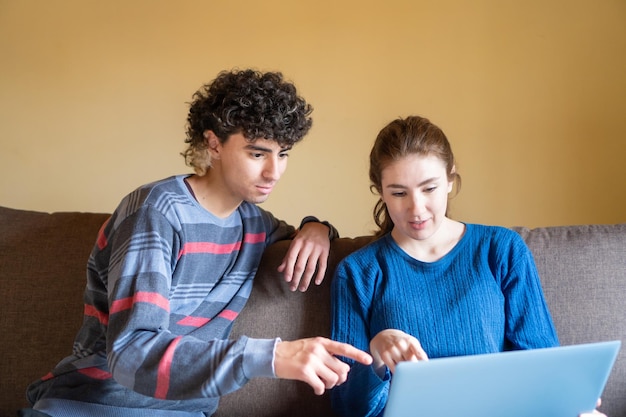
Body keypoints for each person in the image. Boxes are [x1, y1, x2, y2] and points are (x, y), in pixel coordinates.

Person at [23, 69, 372, 417]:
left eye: (283, 154)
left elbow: (296, 233)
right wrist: (268, 356)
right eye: (257, 154)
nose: (274, 172)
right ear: (214, 143)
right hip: (91, 405)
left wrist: (317, 229)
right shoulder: (156, 212)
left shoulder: (255, 224)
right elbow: (131, 352)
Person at [329, 115, 605, 417]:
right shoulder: (358, 272)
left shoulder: (502, 249)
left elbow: (542, 366)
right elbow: (347, 408)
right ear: (380, 191)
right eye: (398, 193)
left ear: (450, 179)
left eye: (429, 188)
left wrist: (570, 403)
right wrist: (376, 354)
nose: (416, 208)